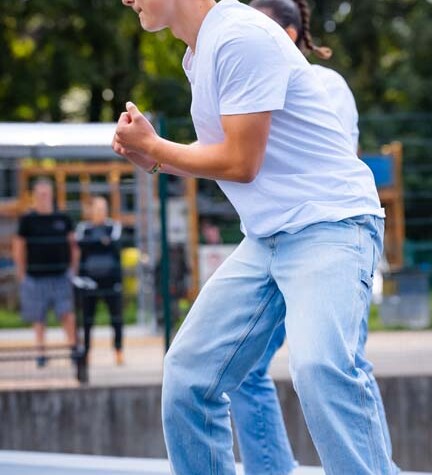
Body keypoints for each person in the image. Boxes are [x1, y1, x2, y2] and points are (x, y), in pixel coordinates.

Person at [116, 0, 394, 473]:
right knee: (189, 378)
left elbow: (242, 162)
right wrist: (155, 157)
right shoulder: (198, 53)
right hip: (267, 237)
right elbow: (223, 150)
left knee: (321, 368)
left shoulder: (239, 37)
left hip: (330, 225)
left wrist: (158, 147)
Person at [227, 1, 399, 474]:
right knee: (243, 370)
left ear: (286, 34)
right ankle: (271, 468)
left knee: (338, 366)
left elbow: (324, 162)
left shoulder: (324, 84)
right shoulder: (249, 85)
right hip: (272, 244)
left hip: (326, 242)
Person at [13, 178, 78, 368]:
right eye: (40, 194)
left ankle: (73, 349)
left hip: (60, 276)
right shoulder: (28, 220)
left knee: (67, 313)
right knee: (38, 317)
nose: (43, 197)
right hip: (35, 277)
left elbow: (73, 245)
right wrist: (22, 273)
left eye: (46, 194)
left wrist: (73, 270)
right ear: (34, 196)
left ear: (51, 195)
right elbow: (19, 246)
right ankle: (41, 353)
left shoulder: (62, 218)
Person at [76, 196, 124, 366]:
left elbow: (115, 244)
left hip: (111, 280)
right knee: (87, 319)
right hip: (89, 281)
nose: (100, 212)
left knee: (116, 318)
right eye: (97, 209)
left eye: (103, 209)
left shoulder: (114, 226)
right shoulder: (84, 227)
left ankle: (118, 351)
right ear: (91, 211)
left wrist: (95, 243)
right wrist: (102, 242)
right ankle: (86, 352)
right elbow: (81, 244)